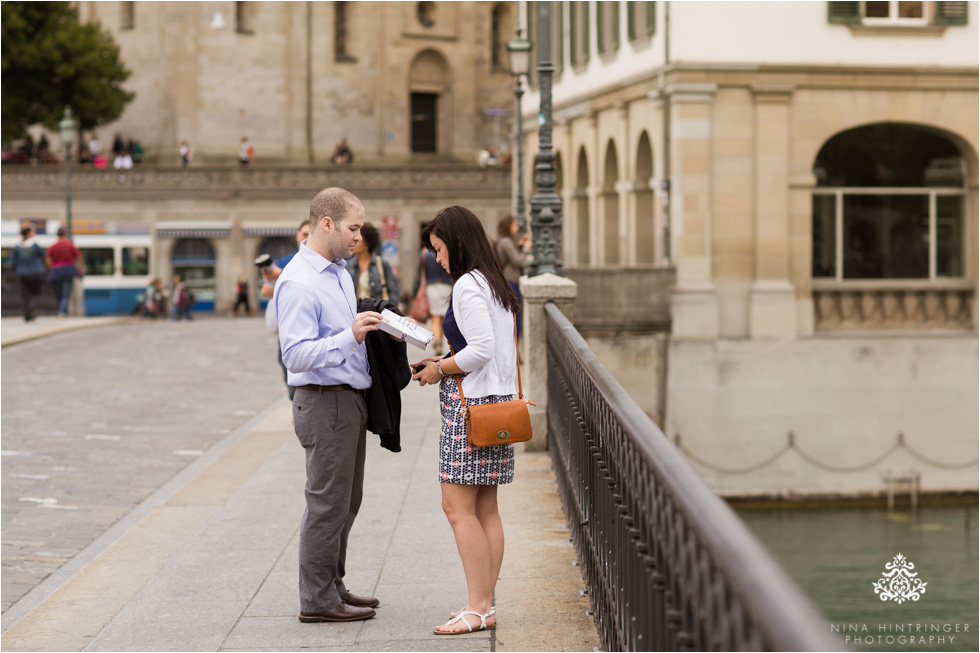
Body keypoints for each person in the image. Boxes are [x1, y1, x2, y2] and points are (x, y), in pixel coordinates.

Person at [273, 187, 384, 623]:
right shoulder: (298, 281)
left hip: (347, 399)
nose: (359, 236)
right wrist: (350, 336)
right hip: (323, 402)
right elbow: (295, 355)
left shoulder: (338, 271)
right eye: (353, 228)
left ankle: (332, 584)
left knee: (346, 501)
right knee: (326, 503)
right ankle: (317, 600)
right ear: (327, 224)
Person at [410, 205, 522, 636]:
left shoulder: (468, 286)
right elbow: (491, 348)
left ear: (457, 244)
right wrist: (443, 361)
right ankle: (485, 606)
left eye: (439, 250)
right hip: (497, 405)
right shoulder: (493, 283)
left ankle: (476, 607)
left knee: (457, 507)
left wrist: (441, 368)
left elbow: (480, 351)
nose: (438, 260)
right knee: (485, 507)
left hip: (471, 407)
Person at [261, 220, 311, 400]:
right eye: (304, 234)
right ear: (297, 235)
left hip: (308, 322)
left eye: (310, 234)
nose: (307, 238)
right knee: (285, 364)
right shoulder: (286, 261)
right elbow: (267, 289)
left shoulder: (319, 260)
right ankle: (295, 401)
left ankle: (301, 402)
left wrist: (279, 278)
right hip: (287, 323)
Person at [493, 215, 531, 341]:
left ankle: (515, 347)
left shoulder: (502, 240)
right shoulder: (506, 242)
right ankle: (515, 347)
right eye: (514, 224)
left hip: (507, 281)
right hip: (511, 282)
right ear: (508, 226)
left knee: (512, 316)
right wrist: (526, 249)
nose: (517, 227)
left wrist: (519, 246)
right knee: (515, 317)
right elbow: (518, 261)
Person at [344, 222, 399, 305]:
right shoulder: (348, 265)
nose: (353, 243)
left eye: (357, 240)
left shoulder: (381, 264)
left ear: (367, 243)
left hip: (378, 315)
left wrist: (389, 313)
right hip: (357, 315)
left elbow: (393, 292)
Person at [414, 240, 453, 355]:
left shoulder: (424, 253)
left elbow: (419, 274)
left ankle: (437, 341)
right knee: (443, 316)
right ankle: (440, 340)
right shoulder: (447, 252)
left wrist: (416, 290)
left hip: (431, 287)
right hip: (446, 287)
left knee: (435, 316)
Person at [45, 227, 84, 317]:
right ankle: (62, 311)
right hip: (68, 270)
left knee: (57, 291)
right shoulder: (70, 245)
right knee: (66, 292)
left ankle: (60, 308)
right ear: (65, 234)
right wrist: (81, 267)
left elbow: (48, 260)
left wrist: (52, 268)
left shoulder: (52, 246)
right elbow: (78, 257)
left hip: (56, 270)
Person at [11, 225, 47, 322]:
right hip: (35, 272)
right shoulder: (35, 245)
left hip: (21, 273)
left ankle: (26, 315)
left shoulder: (17, 246)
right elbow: (43, 255)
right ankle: (31, 307)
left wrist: (16, 270)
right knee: (35, 292)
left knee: (24, 294)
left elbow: (13, 261)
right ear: (28, 233)